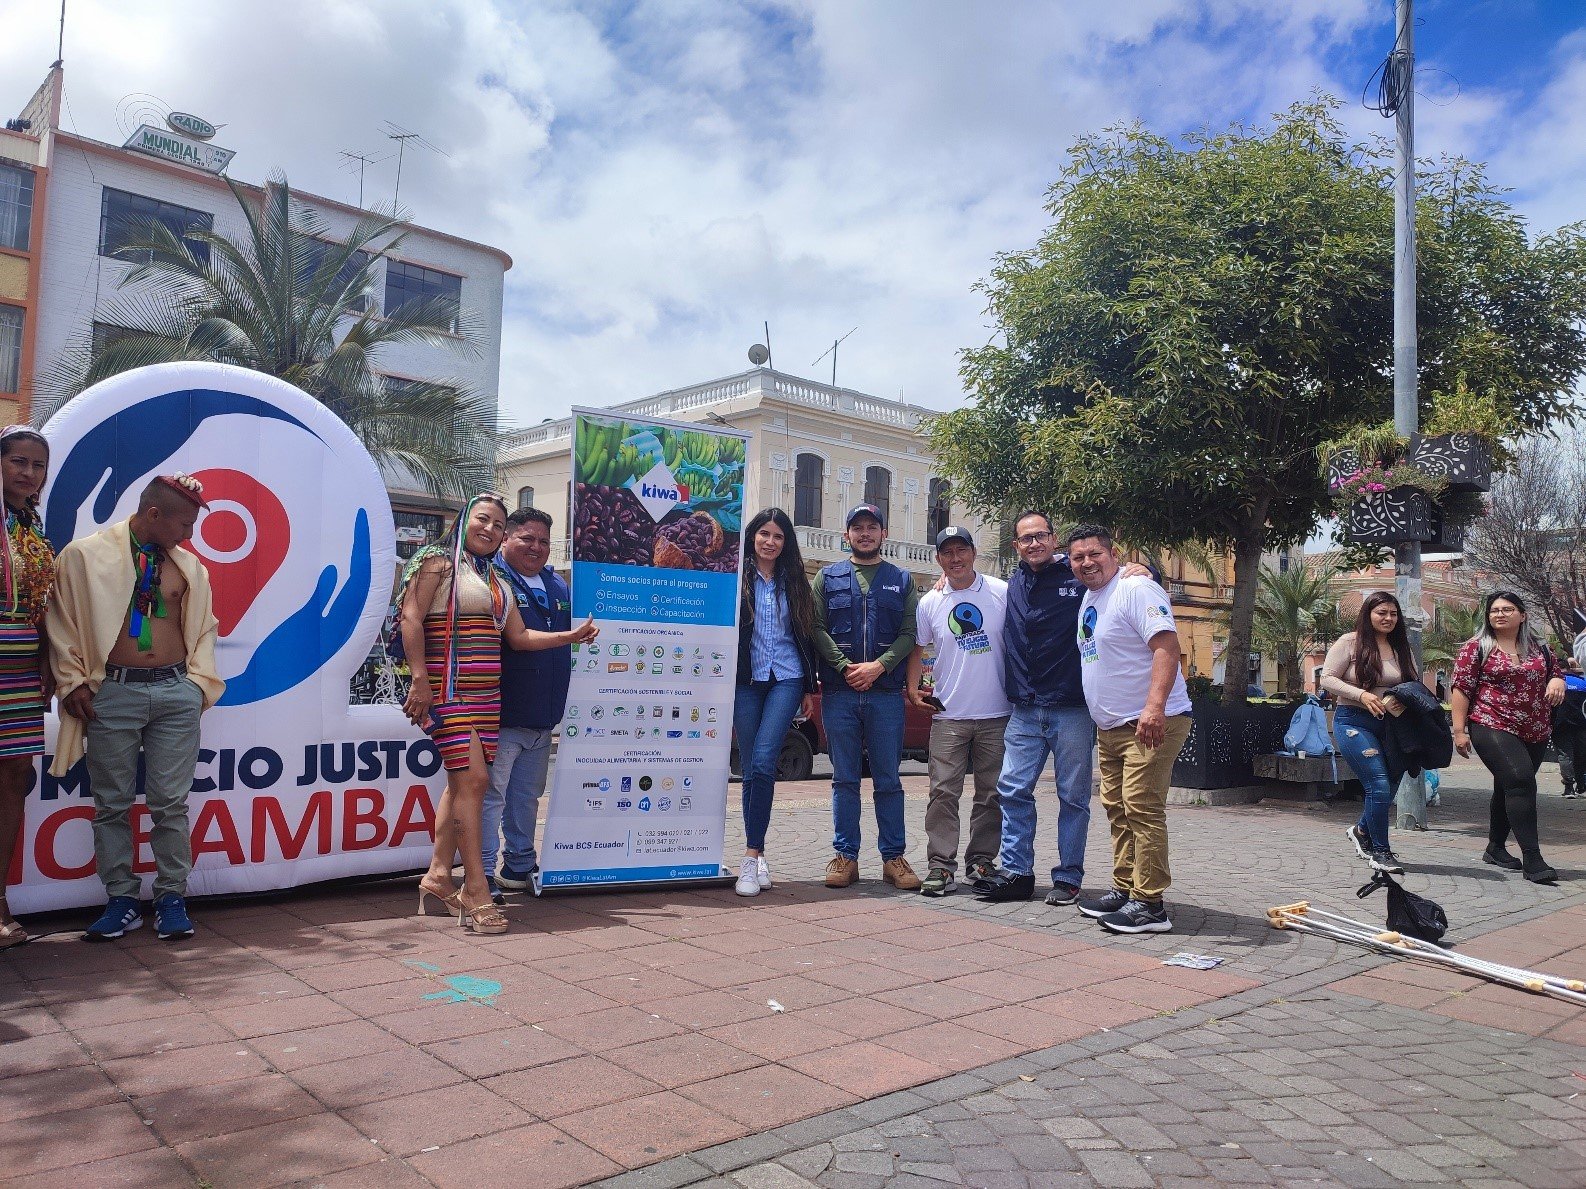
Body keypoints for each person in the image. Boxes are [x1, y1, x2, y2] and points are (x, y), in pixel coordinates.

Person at [399, 494, 597, 934]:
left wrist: (571, 637)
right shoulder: (436, 562)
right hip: (448, 691)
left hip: (488, 698)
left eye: (497, 524)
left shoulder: (493, 578)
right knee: (475, 782)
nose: (488, 529)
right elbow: (411, 618)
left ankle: (437, 877)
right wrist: (419, 679)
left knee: (460, 785)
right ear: (464, 520)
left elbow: (520, 637)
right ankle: (476, 888)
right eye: (482, 519)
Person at [47, 474, 223, 942]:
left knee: (170, 803)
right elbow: (61, 621)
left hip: (175, 691)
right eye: (183, 525)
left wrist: (196, 685)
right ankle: (121, 899)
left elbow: (205, 626)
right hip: (113, 692)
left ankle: (171, 897)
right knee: (112, 802)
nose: (188, 535)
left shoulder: (189, 566)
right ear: (153, 514)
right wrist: (72, 681)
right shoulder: (83, 556)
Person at [975, 511, 1148, 905]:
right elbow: (968, 586)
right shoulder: (1012, 582)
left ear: (1053, 540)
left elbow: (1112, 576)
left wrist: (1143, 568)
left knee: (1072, 797)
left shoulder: (1077, 575)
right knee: (1012, 789)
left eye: (1041, 535)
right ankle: (1018, 873)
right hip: (1024, 709)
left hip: (1071, 709)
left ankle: (1068, 877)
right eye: (1026, 538)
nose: (1034, 543)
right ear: (1016, 545)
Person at [1067, 525, 1193, 934]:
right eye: (1078, 557)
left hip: (1148, 722)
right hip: (1111, 728)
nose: (1087, 562)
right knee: (1118, 809)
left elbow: (1166, 647)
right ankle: (1125, 888)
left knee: (1141, 807)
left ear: (1114, 554)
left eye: (1095, 554)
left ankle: (1150, 904)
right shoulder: (1091, 596)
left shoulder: (1136, 588)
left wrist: (1154, 708)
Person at [812, 503, 921, 890]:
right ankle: (846, 856)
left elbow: (910, 633)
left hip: (886, 695)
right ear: (847, 535)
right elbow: (816, 628)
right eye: (857, 527)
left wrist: (879, 666)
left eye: (871, 527)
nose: (864, 533)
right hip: (839, 693)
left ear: (883, 534)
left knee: (888, 779)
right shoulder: (827, 577)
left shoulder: (901, 579)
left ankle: (893, 858)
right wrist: (845, 667)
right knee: (844, 779)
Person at [905, 526, 1009, 897]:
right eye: (947, 553)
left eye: (961, 550)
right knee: (942, 793)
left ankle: (981, 861)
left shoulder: (1001, 592)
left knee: (991, 794)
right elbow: (917, 647)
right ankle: (940, 866)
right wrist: (913, 689)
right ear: (938, 559)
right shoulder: (930, 601)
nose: (955, 558)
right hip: (948, 715)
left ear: (973, 553)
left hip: (997, 713)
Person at [483, 508, 573, 903]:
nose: (536, 547)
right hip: (501, 716)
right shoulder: (490, 579)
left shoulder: (557, 584)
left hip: (543, 717)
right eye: (527, 539)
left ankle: (518, 866)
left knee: (526, 798)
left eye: (543, 541)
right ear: (506, 539)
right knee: (491, 798)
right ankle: (481, 873)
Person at [1451, 590, 1566, 883]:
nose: (1500, 614)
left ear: (1522, 615)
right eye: (1495, 610)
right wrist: (1459, 731)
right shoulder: (1476, 648)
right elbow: (1461, 688)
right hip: (1491, 722)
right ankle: (1533, 859)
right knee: (1521, 780)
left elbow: (1556, 673)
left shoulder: (1539, 648)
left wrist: (1556, 680)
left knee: (1509, 786)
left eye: (1507, 609)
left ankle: (1495, 847)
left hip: (1535, 728)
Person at [733, 507, 818, 897]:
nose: (770, 542)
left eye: (778, 536)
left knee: (766, 759)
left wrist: (809, 687)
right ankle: (760, 852)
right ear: (752, 536)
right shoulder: (737, 577)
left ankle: (750, 857)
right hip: (746, 681)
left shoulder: (796, 580)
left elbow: (806, 633)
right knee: (752, 768)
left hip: (786, 678)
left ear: (786, 543)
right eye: (764, 534)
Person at [0, 427, 54, 950]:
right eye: (18, 461)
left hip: (20, 669)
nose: (28, 473)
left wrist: (45, 660)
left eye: (37, 466)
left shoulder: (31, 526)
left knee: (15, 777)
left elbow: (40, 606)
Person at [1322, 591, 1419, 875]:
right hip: (1354, 721)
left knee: (1391, 783)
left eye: (1393, 614)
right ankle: (1381, 852)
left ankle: (1362, 830)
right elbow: (1327, 678)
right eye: (1382, 613)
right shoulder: (1349, 642)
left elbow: (1413, 682)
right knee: (1378, 784)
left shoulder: (1401, 647)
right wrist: (1362, 695)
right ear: (1368, 614)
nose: (1388, 618)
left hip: (1392, 725)